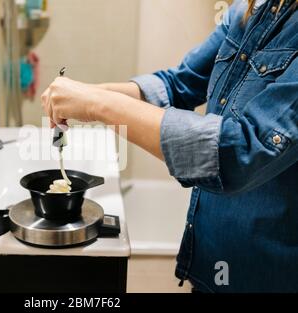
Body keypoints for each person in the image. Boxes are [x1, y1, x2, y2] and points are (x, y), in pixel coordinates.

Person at [41, 0, 298, 292]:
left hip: (267, 276)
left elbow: (240, 151)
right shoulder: (249, 8)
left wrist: (97, 105)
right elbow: (179, 84)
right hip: (212, 264)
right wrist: (84, 94)